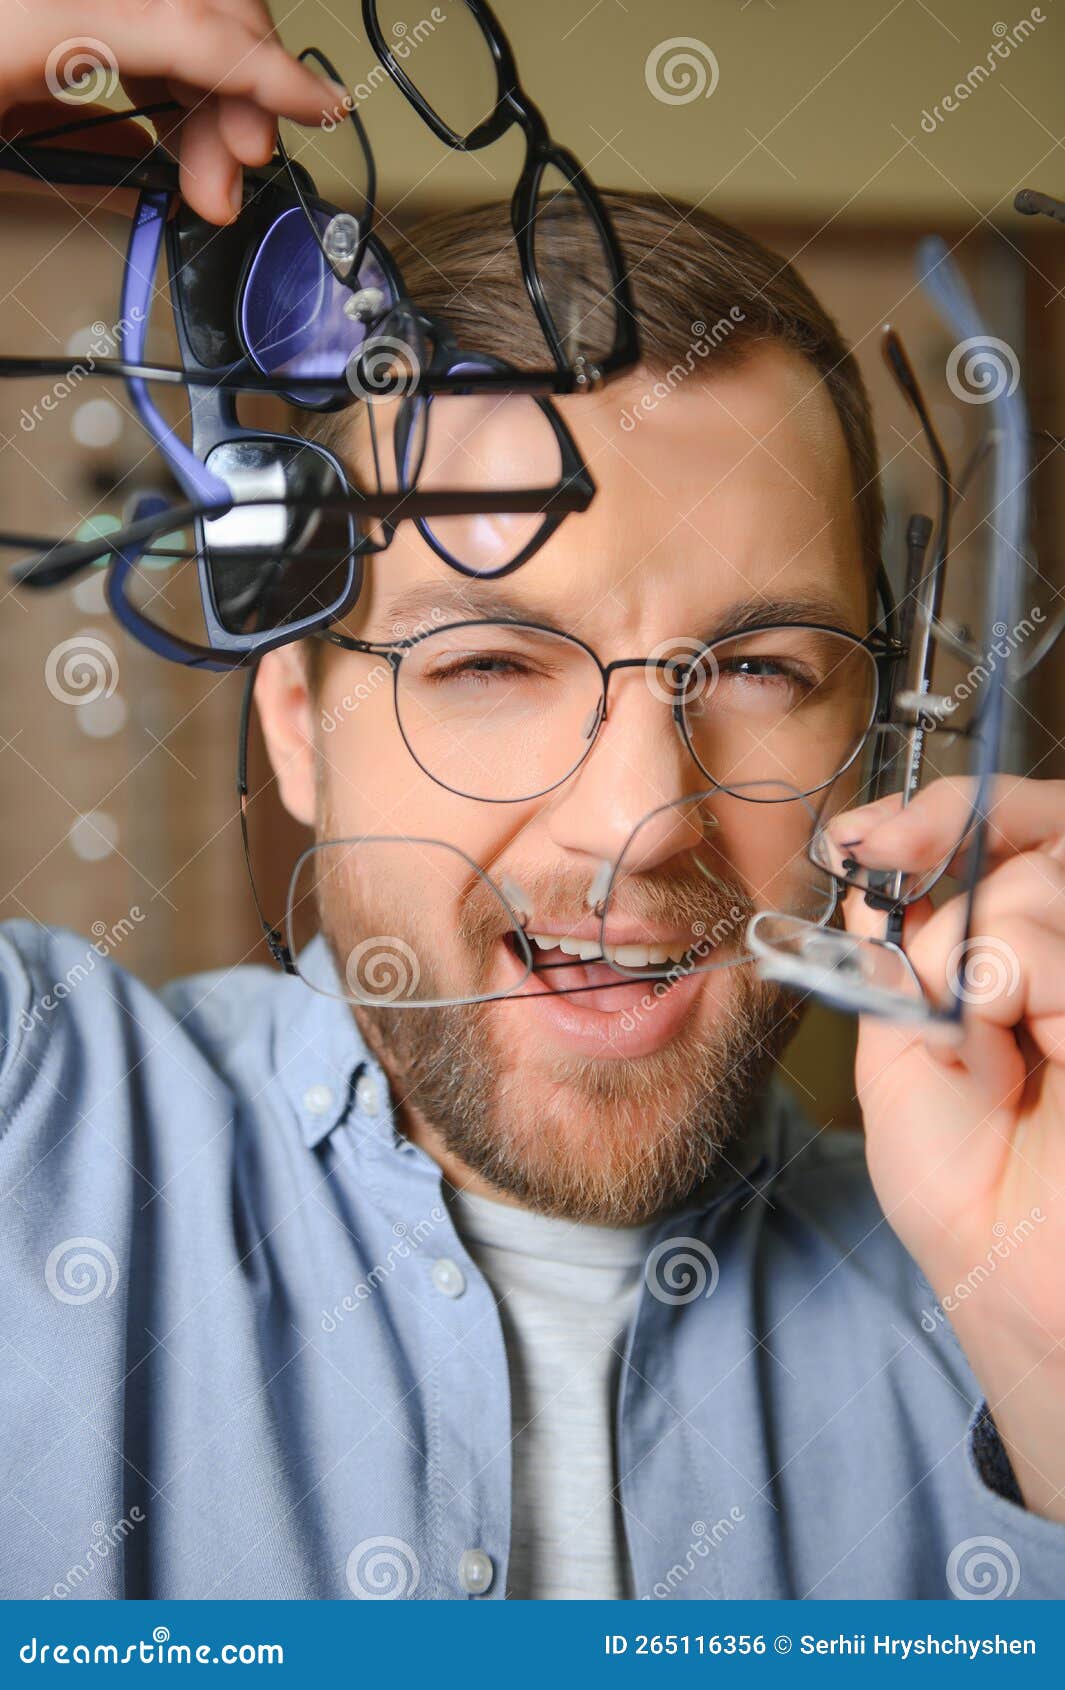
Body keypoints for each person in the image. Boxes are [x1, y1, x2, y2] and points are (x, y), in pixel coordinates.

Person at [2, 0, 1064, 1604]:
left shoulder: (998, 1276)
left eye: (760, 666)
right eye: (492, 662)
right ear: (297, 725)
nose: (640, 820)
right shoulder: (36, 1126)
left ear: (872, 741)